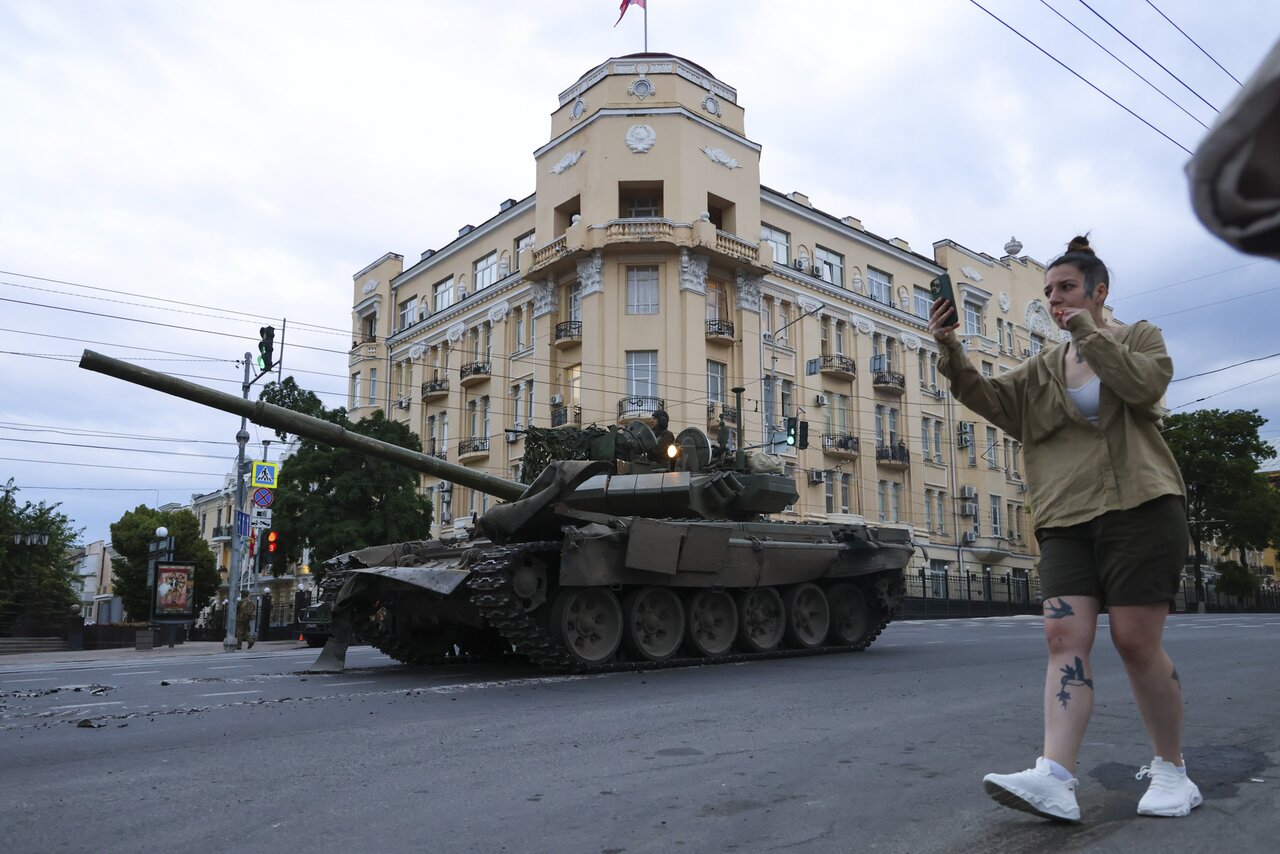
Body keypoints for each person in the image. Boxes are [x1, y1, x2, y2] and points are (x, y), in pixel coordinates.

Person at [928, 236, 1201, 823]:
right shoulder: (1040, 370)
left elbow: (1144, 387)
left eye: (1066, 289)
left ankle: (1173, 769)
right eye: (1049, 292)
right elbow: (992, 401)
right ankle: (1054, 776)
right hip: (1063, 515)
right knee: (1063, 641)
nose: (1055, 300)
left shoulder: (1137, 338)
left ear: (1099, 292)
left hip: (1141, 505)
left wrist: (1088, 333)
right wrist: (950, 348)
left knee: (1134, 640)